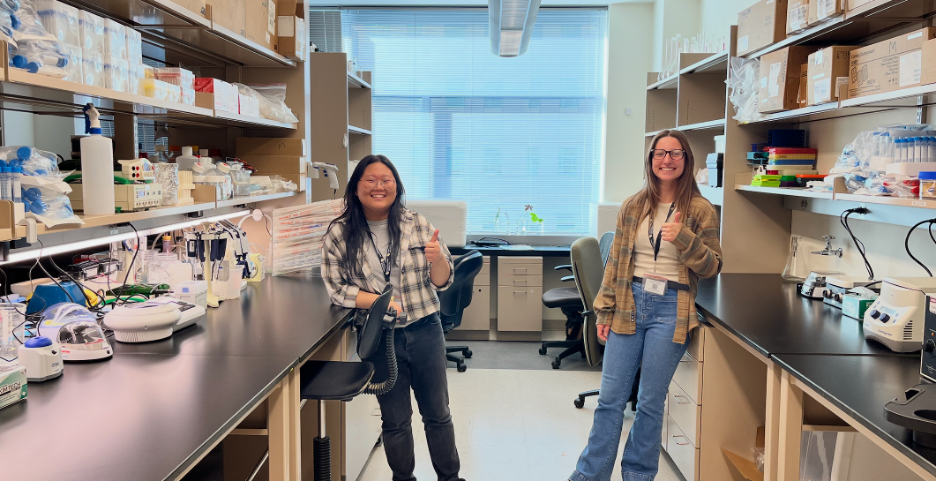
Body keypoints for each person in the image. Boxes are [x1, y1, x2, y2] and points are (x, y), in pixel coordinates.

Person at [570, 130, 723, 481]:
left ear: (686, 160)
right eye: (660, 153)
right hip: (629, 301)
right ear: (651, 159)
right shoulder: (633, 206)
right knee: (610, 400)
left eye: (676, 153)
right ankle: (588, 475)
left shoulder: (700, 210)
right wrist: (604, 310)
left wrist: (684, 239)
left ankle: (638, 475)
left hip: (672, 307)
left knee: (650, 404)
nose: (666, 160)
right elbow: (614, 267)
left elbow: (712, 265)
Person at [322, 154, 462, 482]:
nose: (379, 186)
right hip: (380, 334)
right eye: (370, 180)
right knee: (395, 420)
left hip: (426, 328)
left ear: (396, 187)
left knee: (438, 414)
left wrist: (437, 258)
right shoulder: (339, 234)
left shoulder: (417, 224)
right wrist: (380, 302)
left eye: (386, 180)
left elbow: (444, 280)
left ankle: (450, 478)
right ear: (356, 188)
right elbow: (337, 289)